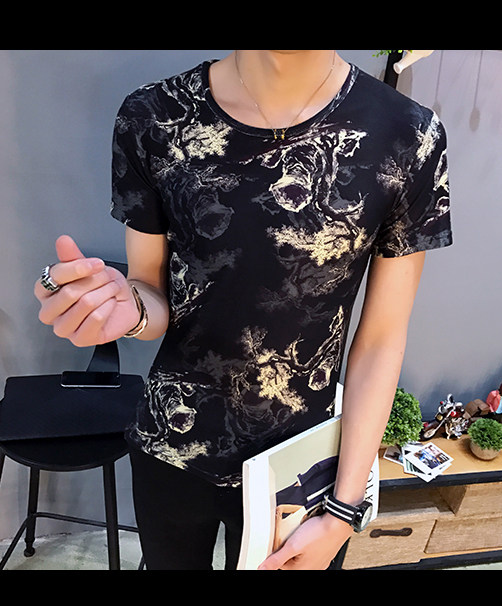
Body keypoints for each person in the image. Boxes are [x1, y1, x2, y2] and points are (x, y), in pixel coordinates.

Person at [33, 50, 452, 570]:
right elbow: (150, 291)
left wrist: (344, 509)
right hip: (172, 443)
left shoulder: (408, 137)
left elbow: (382, 339)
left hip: (300, 470)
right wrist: (126, 307)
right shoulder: (154, 116)